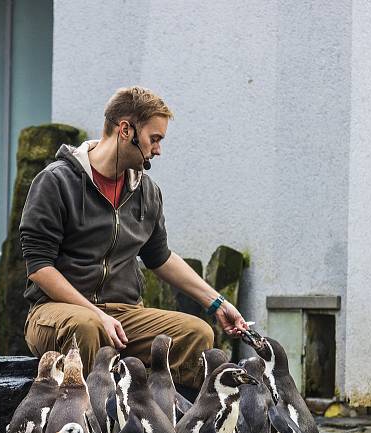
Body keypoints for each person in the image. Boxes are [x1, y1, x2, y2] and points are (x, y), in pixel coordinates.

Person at [19, 86, 248, 390]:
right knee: (85, 329)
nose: (158, 150)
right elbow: (39, 267)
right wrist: (96, 314)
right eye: (154, 139)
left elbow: (160, 257)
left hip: (124, 315)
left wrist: (217, 303)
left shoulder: (147, 192)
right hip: (56, 311)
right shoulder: (56, 181)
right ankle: (89, 425)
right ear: (126, 130)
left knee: (196, 333)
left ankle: (159, 424)